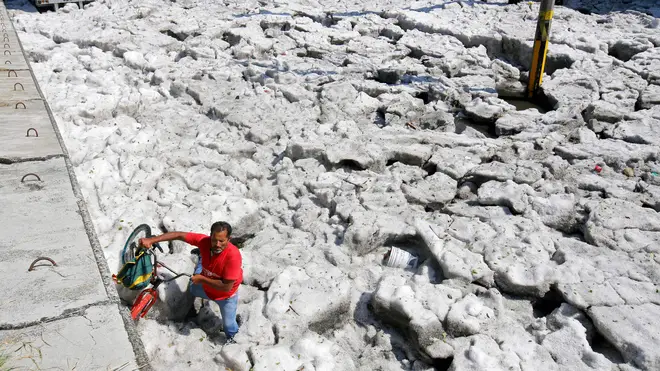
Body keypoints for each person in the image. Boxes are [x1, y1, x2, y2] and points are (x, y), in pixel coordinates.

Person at [139, 221, 242, 343]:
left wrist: (202, 279)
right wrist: (152, 240)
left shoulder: (233, 256)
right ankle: (201, 258)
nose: (217, 244)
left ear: (229, 239)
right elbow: (179, 235)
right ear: (210, 236)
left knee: (229, 327)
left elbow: (226, 287)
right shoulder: (204, 242)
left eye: (222, 241)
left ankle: (233, 342)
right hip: (206, 286)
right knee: (193, 288)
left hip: (225, 297)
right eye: (214, 240)